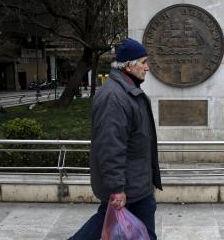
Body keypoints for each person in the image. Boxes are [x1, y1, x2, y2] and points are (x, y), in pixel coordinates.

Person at [69, 38, 162, 240]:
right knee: (143, 234)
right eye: (143, 62)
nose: (147, 68)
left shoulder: (126, 91)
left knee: (134, 231)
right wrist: (117, 189)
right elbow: (110, 147)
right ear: (129, 65)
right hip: (129, 189)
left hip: (137, 184)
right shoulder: (114, 97)